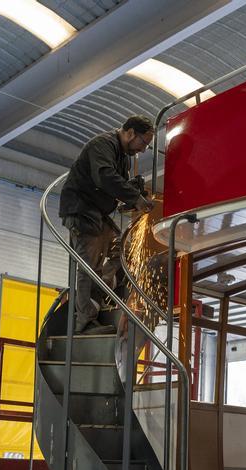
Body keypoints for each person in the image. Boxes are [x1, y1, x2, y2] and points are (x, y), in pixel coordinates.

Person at [59, 114, 155, 334]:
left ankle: (100, 291)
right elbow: (105, 177)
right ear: (131, 133)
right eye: (143, 143)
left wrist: (133, 188)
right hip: (81, 211)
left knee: (125, 251)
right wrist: (136, 199)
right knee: (89, 265)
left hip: (98, 212)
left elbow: (115, 183)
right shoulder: (102, 144)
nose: (142, 149)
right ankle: (85, 320)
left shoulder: (123, 155)